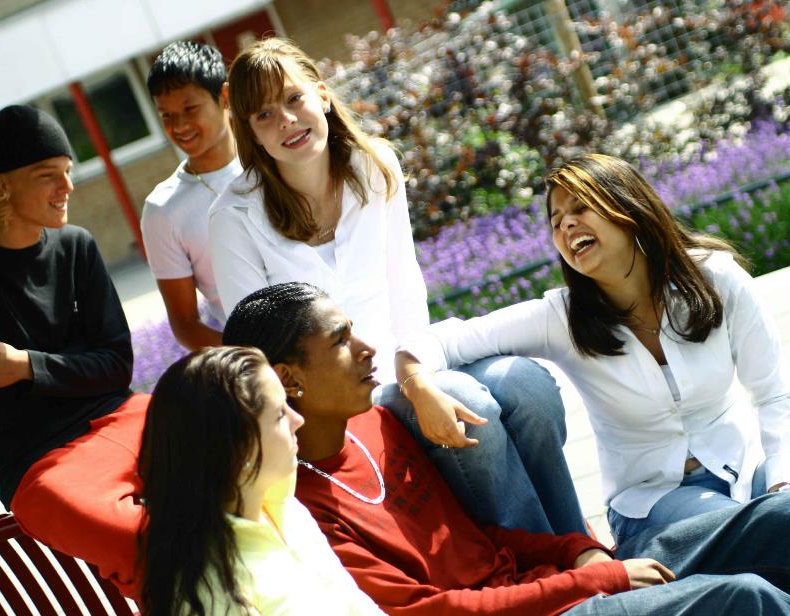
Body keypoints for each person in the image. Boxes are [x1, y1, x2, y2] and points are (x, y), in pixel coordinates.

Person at [222, 282, 790, 616]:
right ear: (291, 377)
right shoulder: (301, 508)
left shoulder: (379, 425)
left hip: (554, 583)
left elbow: (485, 540)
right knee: (742, 601)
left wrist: (579, 551)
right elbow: (430, 613)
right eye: (340, 342)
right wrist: (593, 582)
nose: (366, 350)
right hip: (541, 612)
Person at [210, 37, 584, 535]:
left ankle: (581, 546)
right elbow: (256, 343)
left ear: (322, 94)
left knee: (527, 385)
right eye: (263, 115)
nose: (286, 122)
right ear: (250, 133)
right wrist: (416, 388)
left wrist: (416, 373)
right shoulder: (234, 216)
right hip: (340, 396)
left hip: (406, 359)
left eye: (294, 99)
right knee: (470, 406)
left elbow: (405, 286)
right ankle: (548, 578)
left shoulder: (375, 165)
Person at [397, 153, 790, 549]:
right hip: (654, 504)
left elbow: (774, 392)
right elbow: (437, 340)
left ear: (627, 209)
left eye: (580, 208)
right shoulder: (561, 318)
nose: (566, 225)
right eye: (556, 220)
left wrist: (782, 477)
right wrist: (418, 385)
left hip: (748, 469)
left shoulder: (716, 278)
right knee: (773, 533)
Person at [0, 105, 148, 596]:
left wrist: (26, 365)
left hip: (121, 417)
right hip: (38, 460)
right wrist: (80, 367)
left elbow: (118, 366)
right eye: (48, 176)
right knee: (146, 545)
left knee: (239, 470)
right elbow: (3, 412)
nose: (67, 187)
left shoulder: (77, 247)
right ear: (1, 186)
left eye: (68, 172)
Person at [137, 345, 384, 615]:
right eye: (280, 414)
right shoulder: (215, 594)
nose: (298, 419)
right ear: (238, 448)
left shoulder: (284, 506)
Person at [142, 41, 242, 350]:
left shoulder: (274, 156)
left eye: (190, 109)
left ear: (224, 98)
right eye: (167, 116)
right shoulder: (163, 210)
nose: (180, 126)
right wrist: (256, 359)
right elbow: (185, 324)